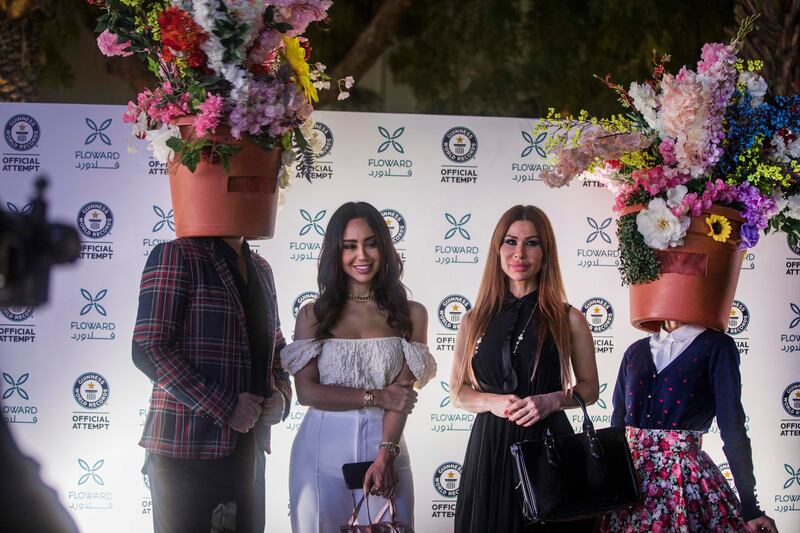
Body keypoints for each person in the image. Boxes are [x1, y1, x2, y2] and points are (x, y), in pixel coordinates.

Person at [281, 201, 436, 532]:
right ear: (335, 253)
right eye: (349, 246)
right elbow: (308, 392)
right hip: (320, 455)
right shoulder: (312, 315)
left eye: (371, 243)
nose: (361, 256)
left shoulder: (412, 314)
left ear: (385, 247)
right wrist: (377, 397)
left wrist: (386, 456)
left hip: (387, 450)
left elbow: (402, 396)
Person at [450, 204, 599, 532]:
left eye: (532, 243)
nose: (519, 253)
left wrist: (554, 400)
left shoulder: (569, 317)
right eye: (510, 242)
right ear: (497, 249)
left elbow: (590, 386)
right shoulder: (473, 320)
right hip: (490, 448)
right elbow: (458, 393)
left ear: (545, 252)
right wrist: (493, 402)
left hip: (548, 448)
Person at [132, 236, 292, 533]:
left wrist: (281, 396)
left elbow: (277, 351)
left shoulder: (261, 268)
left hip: (248, 456)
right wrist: (227, 406)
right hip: (183, 456)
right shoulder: (176, 254)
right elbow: (149, 348)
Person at [600, 321, 779, 533]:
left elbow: (732, 427)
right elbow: (618, 423)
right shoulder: (635, 351)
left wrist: (750, 506)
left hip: (685, 481)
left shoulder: (717, 346)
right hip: (634, 484)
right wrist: (611, 490)